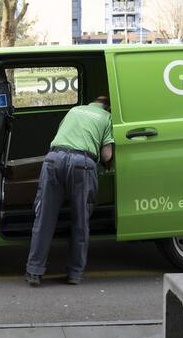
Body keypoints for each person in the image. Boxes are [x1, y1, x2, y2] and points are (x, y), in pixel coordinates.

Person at [25, 95, 114, 286]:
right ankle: (74, 274)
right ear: (108, 108)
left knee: (44, 218)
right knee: (81, 221)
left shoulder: (74, 110)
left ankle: (34, 271)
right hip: (82, 164)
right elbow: (107, 155)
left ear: (93, 102)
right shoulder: (106, 118)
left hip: (54, 159)